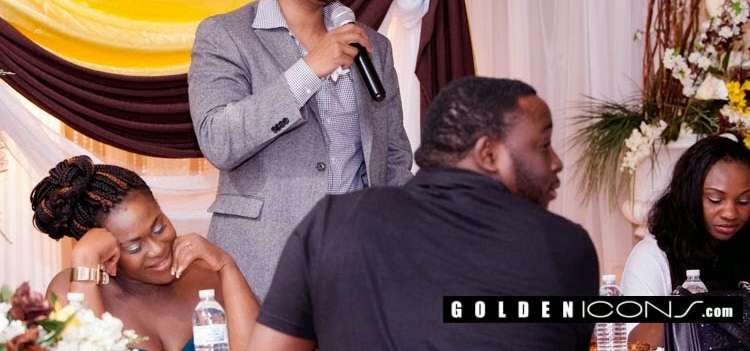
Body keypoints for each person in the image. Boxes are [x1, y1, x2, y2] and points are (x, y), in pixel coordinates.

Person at [247, 77, 599, 350]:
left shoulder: (332, 223)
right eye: (544, 145)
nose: (556, 162)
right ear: (489, 154)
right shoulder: (564, 245)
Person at [187, 0, 413, 300]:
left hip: (359, 264)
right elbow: (219, 141)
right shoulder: (225, 35)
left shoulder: (371, 46)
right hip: (263, 264)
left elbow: (394, 156)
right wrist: (309, 69)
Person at [30, 155, 259, 351]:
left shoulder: (205, 274)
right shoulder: (70, 288)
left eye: (159, 227)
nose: (158, 249)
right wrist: (85, 260)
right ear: (106, 256)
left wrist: (226, 266)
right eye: (134, 247)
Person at [621, 135, 750, 347]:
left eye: (744, 201)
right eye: (715, 200)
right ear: (689, 195)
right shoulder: (653, 256)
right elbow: (633, 342)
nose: (730, 213)